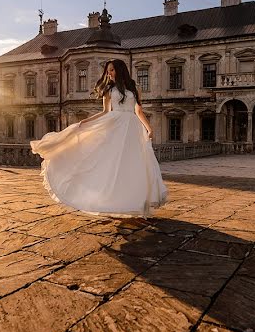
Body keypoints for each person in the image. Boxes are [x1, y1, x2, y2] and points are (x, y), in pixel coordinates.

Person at [30, 59, 168, 218]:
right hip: (115, 126)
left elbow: (138, 110)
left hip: (132, 128)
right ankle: (111, 201)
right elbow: (105, 112)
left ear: (120, 70)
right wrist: (86, 122)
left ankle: (136, 201)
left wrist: (149, 128)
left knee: (133, 163)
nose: (109, 73)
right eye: (108, 71)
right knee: (110, 163)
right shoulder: (109, 89)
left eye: (112, 70)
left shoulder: (135, 88)